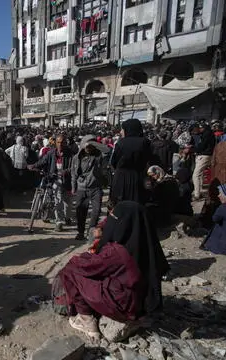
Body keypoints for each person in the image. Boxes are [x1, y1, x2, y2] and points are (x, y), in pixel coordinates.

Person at [53, 201, 169, 338]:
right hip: (140, 302)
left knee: (70, 270)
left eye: (114, 218)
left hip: (123, 306)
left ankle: (86, 320)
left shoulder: (118, 251)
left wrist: (81, 257)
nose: (111, 222)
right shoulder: (147, 243)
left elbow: (85, 267)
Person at [71, 135, 107, 240]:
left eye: (92, 145)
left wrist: (97, 144)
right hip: (81, 187)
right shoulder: (77, 157)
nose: (89, 147)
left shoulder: (99, 155)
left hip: (96, 188)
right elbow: (73, 173)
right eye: (87, 144)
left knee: (96, 210)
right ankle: (80, 232)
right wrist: (73, 186)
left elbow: (107, 150)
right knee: (80, 211)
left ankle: (91, 230)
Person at [110, 119, 152, 204]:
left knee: (119, 203)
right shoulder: (145, 142)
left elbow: (114, 162)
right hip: (139, 177)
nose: (121, 132)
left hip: (121, 178)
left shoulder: (121, 143)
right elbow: (149, 158)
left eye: (123, 129)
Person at [191, 123, 216, 200]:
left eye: (193, 132)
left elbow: (202, 146)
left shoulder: (206, 134)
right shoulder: (207, 133)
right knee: (200, 174)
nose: (194, 134)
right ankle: (200, 190)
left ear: (196, 129)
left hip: (204, 155)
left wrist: (192, 149)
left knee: (195, 175)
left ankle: (197, 195)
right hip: (206, 155)